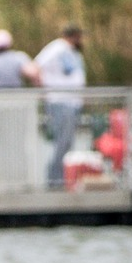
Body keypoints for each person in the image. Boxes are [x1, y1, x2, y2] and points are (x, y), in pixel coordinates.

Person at [32, 23, 86, 189]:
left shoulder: (72, 52)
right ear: (74, 36)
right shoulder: (57, 47)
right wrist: (44, 91)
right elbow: (35, 67)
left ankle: (65, 179)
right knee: (61, 142)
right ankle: (55, 181)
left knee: (68, 143)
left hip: (72, 102)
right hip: (60, 101)